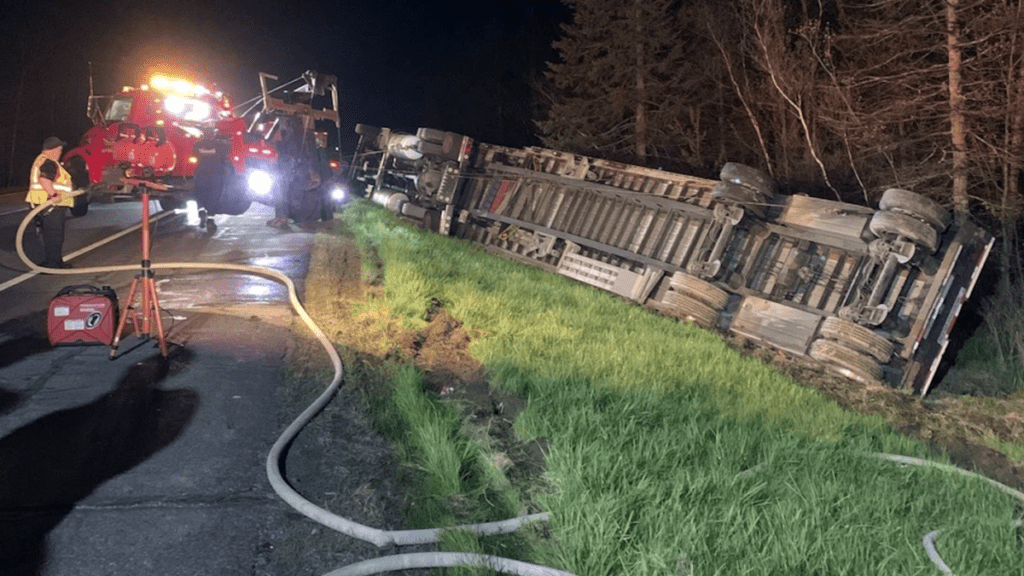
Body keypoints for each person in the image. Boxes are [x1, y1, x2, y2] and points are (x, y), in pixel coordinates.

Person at [26, 137, 75, 268]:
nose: (60, 153)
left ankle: (56, 261)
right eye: (59, 150)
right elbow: (44, 179)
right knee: (54, 235)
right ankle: (52, 264)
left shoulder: (42, 160)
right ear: (51, 150)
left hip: (45, 204)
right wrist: (53, 194)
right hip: (51, 205)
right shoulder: (48, 162)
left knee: (52, 235)